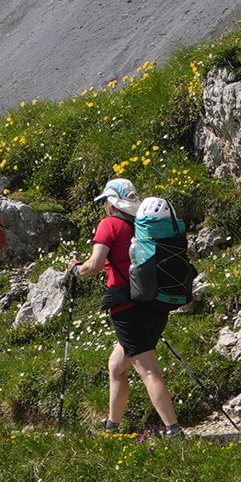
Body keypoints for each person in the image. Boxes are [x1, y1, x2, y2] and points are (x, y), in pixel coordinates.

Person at [80, 177, 181, 436]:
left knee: (148, 370)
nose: (104, 207)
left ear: (112, 203)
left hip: (127, 309)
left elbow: (93, 266)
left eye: (104, 202)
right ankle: (112, 428)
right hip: (156, 304)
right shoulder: (145, 225)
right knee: (116, 366)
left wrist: (74, 270)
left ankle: (174, 431)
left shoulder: (109, 224)